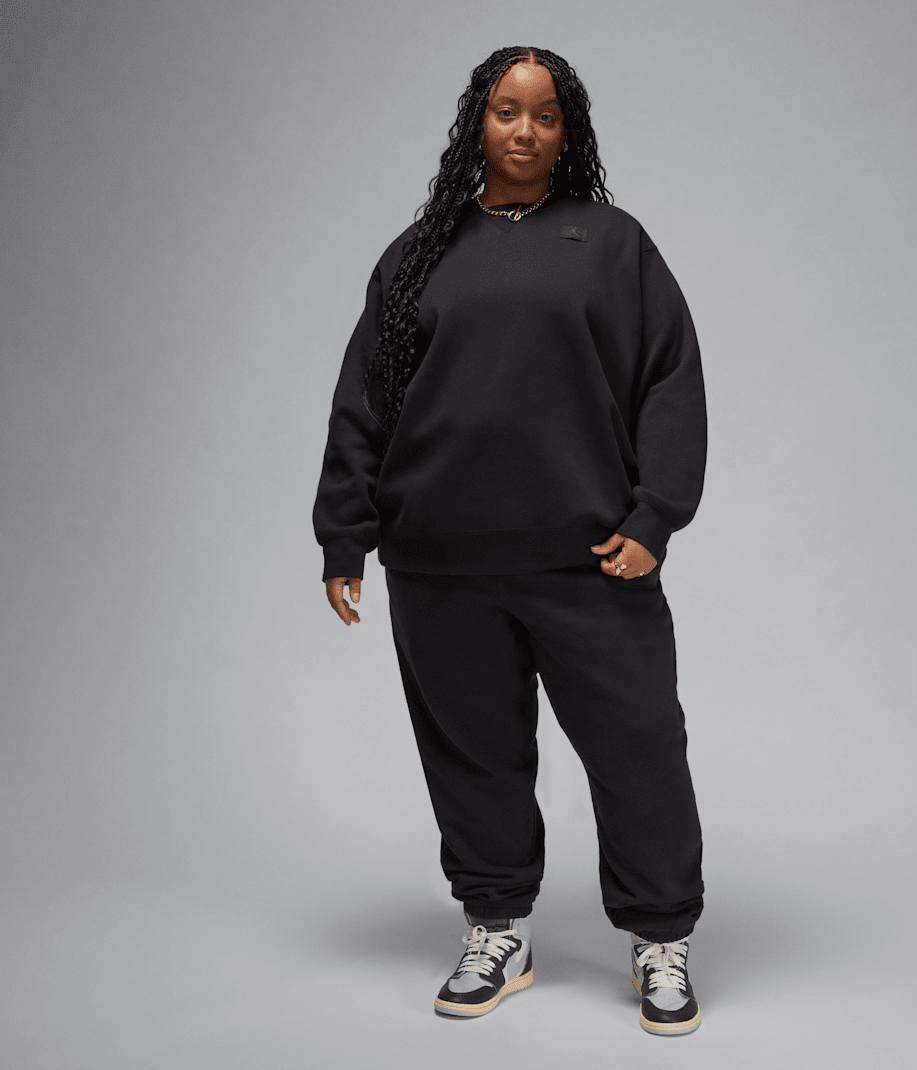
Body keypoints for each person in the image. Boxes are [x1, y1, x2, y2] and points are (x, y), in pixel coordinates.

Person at [312, 45, 707, 1036]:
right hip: (440, 560)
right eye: (504, 110)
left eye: (544, 114)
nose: (523, 129)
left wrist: (654, 515)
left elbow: (670, 379)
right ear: (476, 123)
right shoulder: (419, 254)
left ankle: (660, 935)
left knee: (639, 748)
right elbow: (365, 399)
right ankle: (497, 928)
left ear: (568, 132)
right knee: (473, 755)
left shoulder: (613, 245)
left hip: (588, 558)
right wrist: (344, 534)